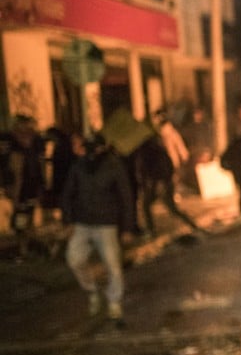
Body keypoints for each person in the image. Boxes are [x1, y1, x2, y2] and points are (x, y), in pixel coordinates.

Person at [61, 134, 136, 322]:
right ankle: (92, 290)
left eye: (94, 148)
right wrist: (68, 221)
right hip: (82, 222)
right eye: (88, 148)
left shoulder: (114, 166)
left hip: (106, 223)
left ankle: (114, 301)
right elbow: (68, 194)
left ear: (103, 148)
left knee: (113, 265)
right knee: (74, 259)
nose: (91, 152)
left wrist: (127, 228)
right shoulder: (78, 167)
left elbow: (126, 198)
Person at [132, 135, 202, 237]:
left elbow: (152, 170)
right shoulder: (159, 151)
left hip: (158, 184)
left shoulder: (148, 154)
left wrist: (157, 182)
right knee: (167, 208)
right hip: (162, 184)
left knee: (151, 206)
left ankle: (152, 231)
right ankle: (192, 225)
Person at [3, 116, 46, 258]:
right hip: (22, 192)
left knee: (26, 219)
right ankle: (24, 247)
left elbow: (36, 170)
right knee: (21, 220)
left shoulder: (31, 151)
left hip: (29, 191)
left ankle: (26, 246)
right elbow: (15, 174)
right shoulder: (16, 151)